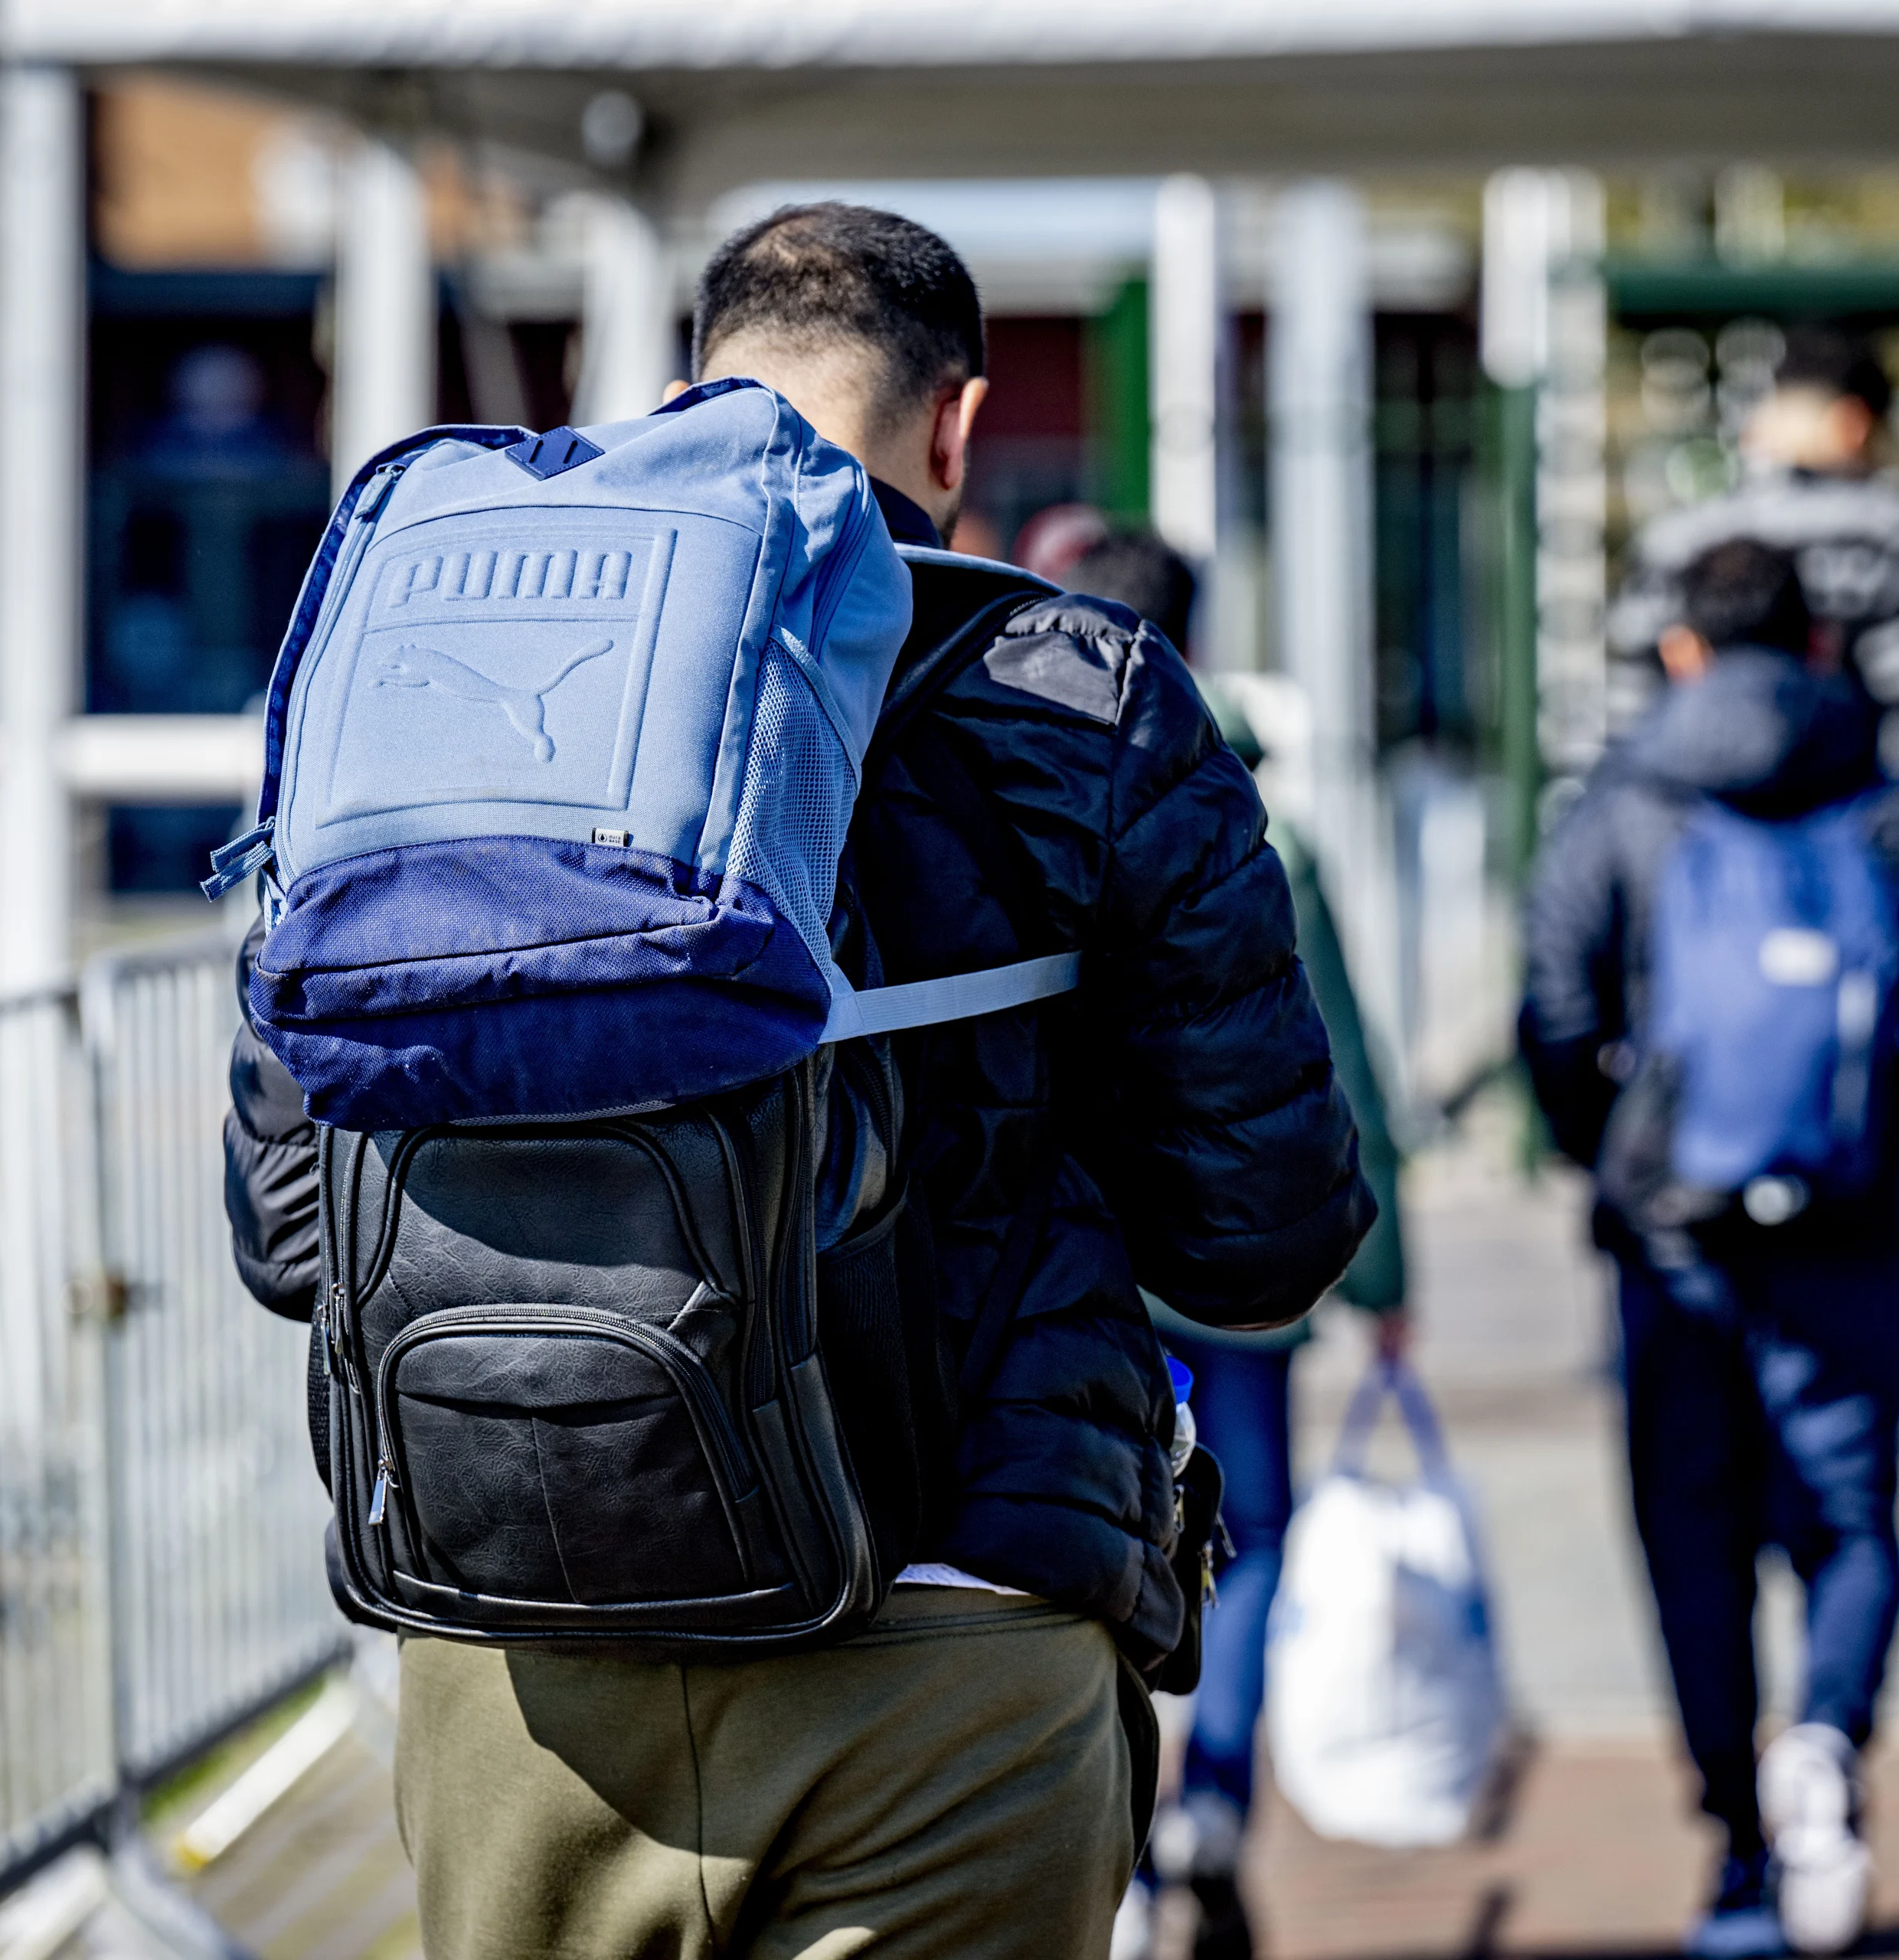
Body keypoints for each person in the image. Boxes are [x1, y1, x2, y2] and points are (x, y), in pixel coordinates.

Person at [224, 202, 1377, 1960]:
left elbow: (287, 1227)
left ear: (694, 389)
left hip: (518, 1638)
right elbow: (1259, 1238)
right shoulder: (1086, 697)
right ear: (957, 425)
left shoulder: (443, 694)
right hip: (955, 1631)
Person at [1523, 539, 1899, 1959]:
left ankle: (1740, 1850)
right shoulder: (1895, 788)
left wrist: (1602, 1155)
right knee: (1854, 1516)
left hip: (1673, 1237)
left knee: (1694, 1538)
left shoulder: (1622, 799)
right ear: (1813, 644)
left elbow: (1554, 1004)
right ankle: (1828, 1743)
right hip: (1856, 1217)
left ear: (1681, 647)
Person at [1065, 527, 1410, 1960]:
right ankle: (1212, 1802)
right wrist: (1383, 1274)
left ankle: (1124, 1850)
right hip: (1240, 1260)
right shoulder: (1264, 821)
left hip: (1091, 1265)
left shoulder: (1026, 799)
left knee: (1092, 1542)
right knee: (1250, 1534)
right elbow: (1337, 1059)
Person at [1613, 325, 1899, 776]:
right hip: (1840, 816)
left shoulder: (1675, 540)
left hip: (1694, 814)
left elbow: (1625, 711)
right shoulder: (1886, 541)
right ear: (1854, 426)